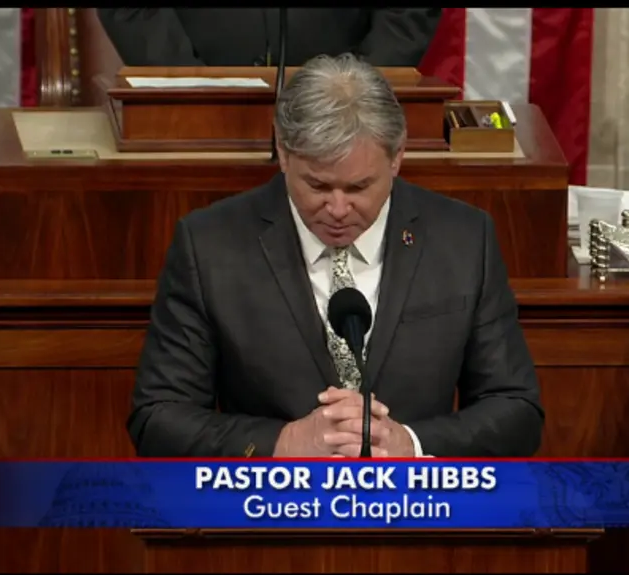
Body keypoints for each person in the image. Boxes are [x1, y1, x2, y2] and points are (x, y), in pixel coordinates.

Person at [129, 54, 543, 458]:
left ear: (397, 156)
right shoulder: (210, 246)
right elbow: (157, 418)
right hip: (272, 500)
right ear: (284, 152)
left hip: (416, 499)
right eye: (318, 186)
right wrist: (280, 443)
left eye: (359, 187)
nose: (339, 209)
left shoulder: (463, 240)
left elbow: (517, 411)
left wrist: (412, 444)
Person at [97, 8, 442, 68]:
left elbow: (407, 14)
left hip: (352, 123)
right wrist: (190, 83)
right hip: (192, 125)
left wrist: (357, 85)